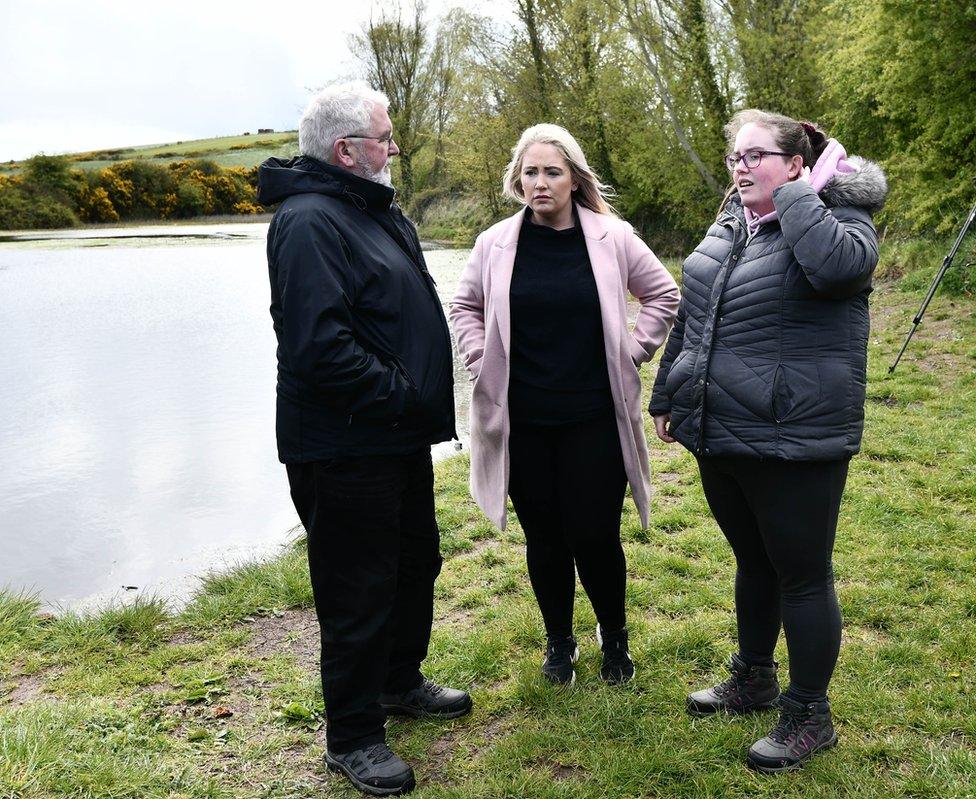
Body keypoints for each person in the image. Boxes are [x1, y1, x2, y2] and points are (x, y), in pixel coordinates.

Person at [649, 109, 887, 773]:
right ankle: (753, 677)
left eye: (758, 155)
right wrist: (669, 392)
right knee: (753, 562)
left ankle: (810, 712)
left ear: (796, 163)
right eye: (736, 156)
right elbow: (694, 313)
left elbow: (838, 270)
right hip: (721, 428)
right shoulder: (732, 220)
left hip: (795, 433)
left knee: (802, 575)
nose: (742, 166)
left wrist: (796, 194)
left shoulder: (839, 216)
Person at [257, 81, 471, 797]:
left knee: (415, 561)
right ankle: (353, 735)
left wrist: (410, 407)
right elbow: (320, 346)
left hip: (392, 437)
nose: (395, 147)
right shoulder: (310, 220)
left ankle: (397, 683)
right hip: (344, 444)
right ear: (347, 150)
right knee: (358, 588)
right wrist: (402, 395)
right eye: (385, 137)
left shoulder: (369, 210)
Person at [451, 124, 680, 687]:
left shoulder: (612, 236)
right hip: (523, 422)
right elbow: (464, 306)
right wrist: (481, 361)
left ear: (575, 179)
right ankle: (559, 642)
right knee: (545, 538)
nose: (540, 182)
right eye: (530, 172)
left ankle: (615, 638)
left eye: (552, 171)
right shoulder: (495, 243)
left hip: (594, 420)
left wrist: (633, 350)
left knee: (596, 534)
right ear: (517, 180)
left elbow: (664, 294)